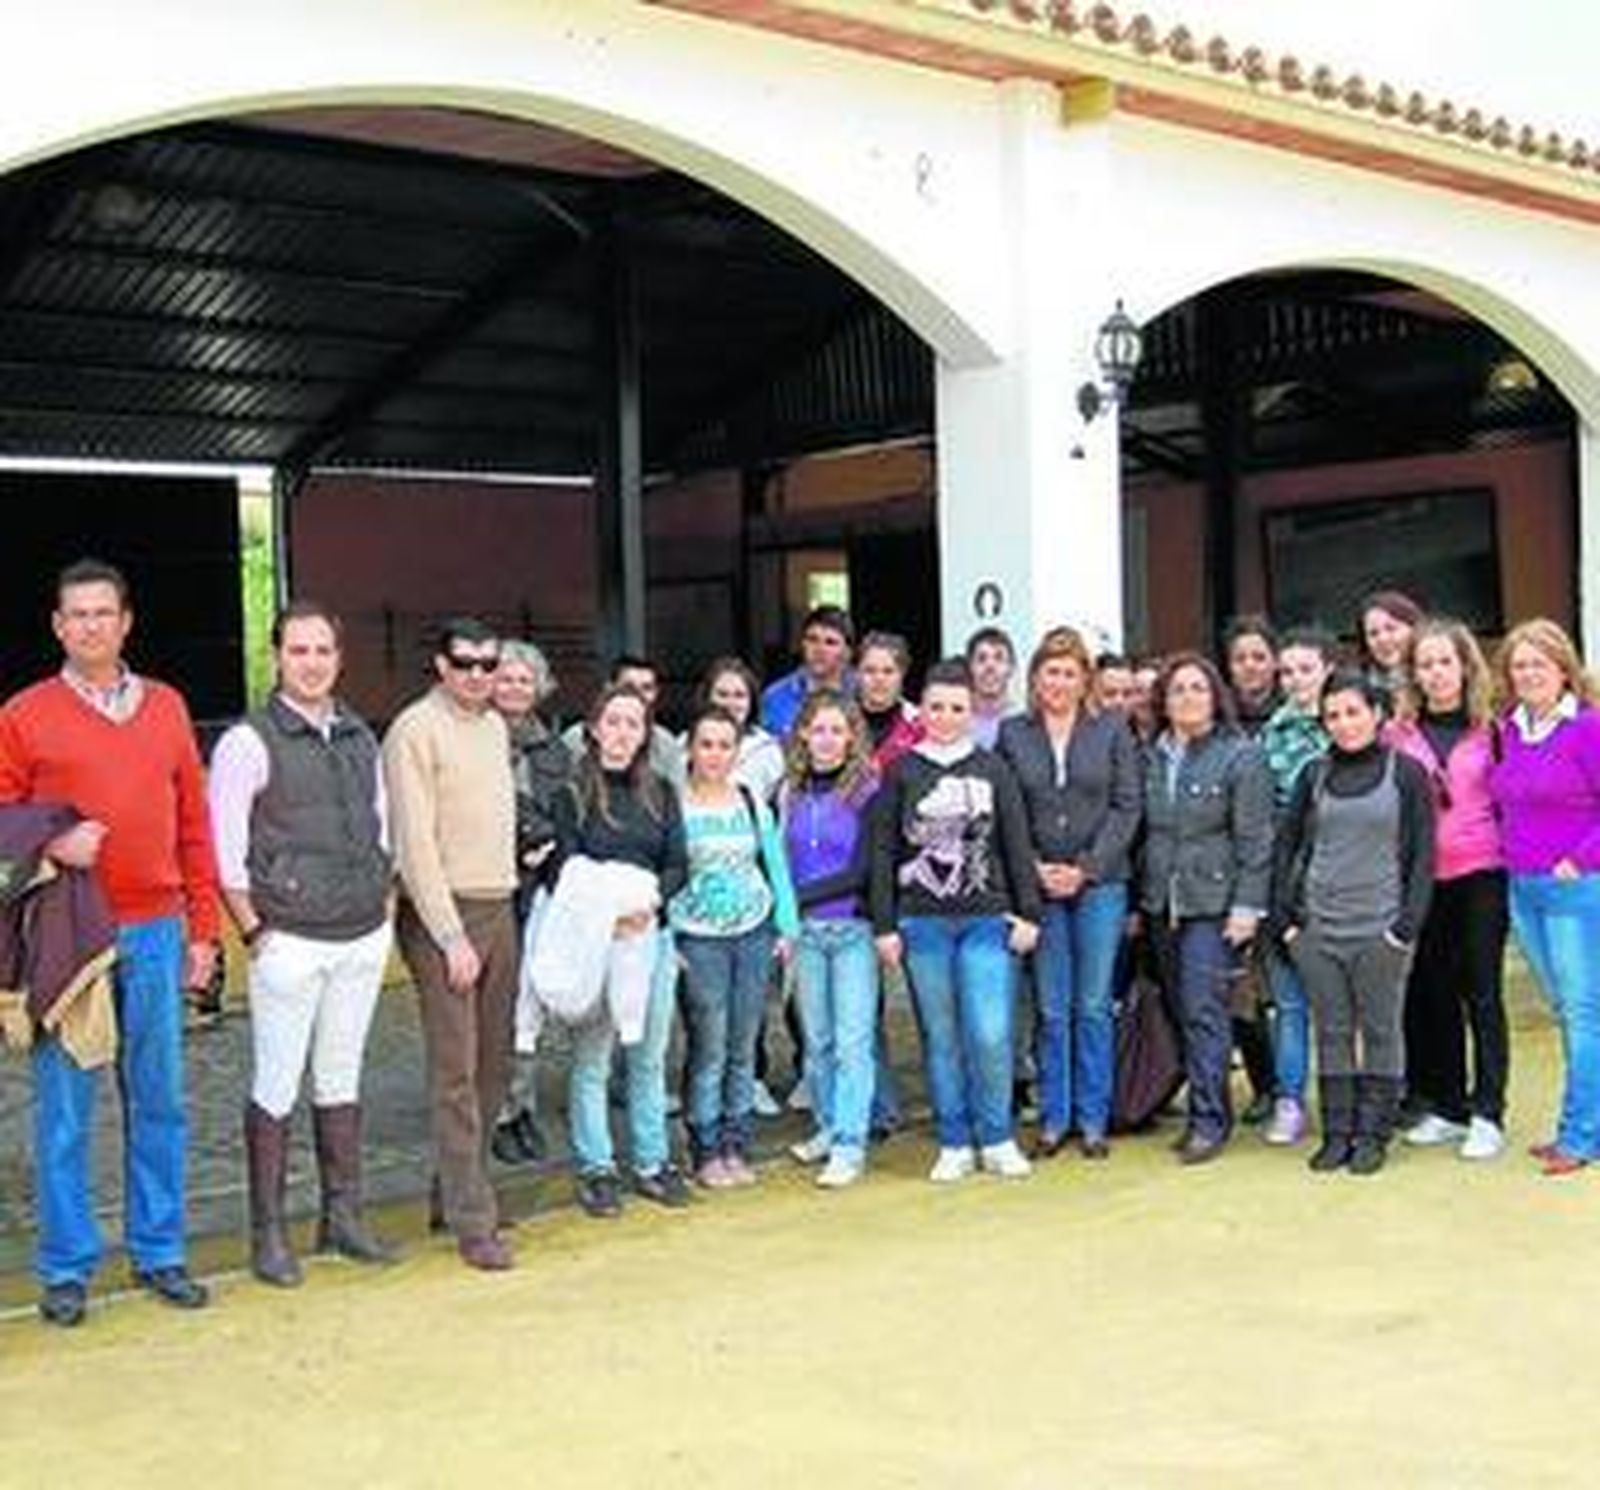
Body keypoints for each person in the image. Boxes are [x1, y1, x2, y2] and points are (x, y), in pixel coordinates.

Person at [0, 557, 220, 1325]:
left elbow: (195, 823)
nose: (91, 625)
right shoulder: (23, 715)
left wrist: (204, 929)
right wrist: (53, 847)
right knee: (65, 1107)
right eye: (77, 615)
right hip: (71, 936)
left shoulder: (166, 708)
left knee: (160, 1099)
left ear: (126, 621)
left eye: (104, 612)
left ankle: (160, 1252)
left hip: (157, 929)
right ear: (58, 627)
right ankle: (66, 1266)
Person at [208, 601, 395, 1287]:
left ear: (338, 659)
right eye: (298, 651)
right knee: (276, 1084)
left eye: (323, 650)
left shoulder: (359, 737)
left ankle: (342, 1218)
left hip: (359, 934)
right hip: (288, 939)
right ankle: (269, 1234)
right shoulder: (246, 743)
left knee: (341, 1078)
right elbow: (225, 853)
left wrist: (384, 898)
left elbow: (383, 825)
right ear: (276, 657)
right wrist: (256, 934)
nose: (311, 663)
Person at [870, 658, 1042, 1182]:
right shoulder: (901, 771)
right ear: (921, 710)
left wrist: (1029, 913)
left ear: (972, 712)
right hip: (922, 924)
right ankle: (954, 1139)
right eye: (937, 707)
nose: (946, 716)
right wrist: (884, 925)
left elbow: (1016, 843)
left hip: (986, 920)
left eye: (957, 708)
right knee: (940, 1036)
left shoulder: (993, 768)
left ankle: (996, 1136)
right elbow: (882, 852)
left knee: (990, 1033)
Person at [383, 617, 519, 1270]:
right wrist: (448, 934)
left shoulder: (494, 727)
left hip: (499, 903)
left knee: (495, 1065)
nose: (477, 675)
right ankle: (473, 1218)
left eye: (488, 665)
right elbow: (414, 843)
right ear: (440, 665)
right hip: (445, 914)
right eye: (464, 663)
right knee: (456, 1070)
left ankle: (458, 1187)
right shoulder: (414, 729)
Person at [1276, 671, 1434, 1175]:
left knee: (1382, 1030)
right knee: (1333, 1031)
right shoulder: (1313, 775)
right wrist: (1287, 925)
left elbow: (1422, 858)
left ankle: (1374, 1134)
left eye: (1353, 712)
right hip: (1319, 930)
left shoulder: (1406, 774)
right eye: (1332, 716)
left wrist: (1404, 929)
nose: (1343, 724)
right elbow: (1285, 849)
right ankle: (1338, 1132)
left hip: (1381, 931)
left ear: (1377, 713)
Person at [999, 627, 1141, 1160]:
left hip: (1100, 884)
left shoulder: (1112, 733)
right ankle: (1055, 1118)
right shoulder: (1014, 734)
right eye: (1050, 671)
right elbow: (1006, 809)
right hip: (1039, 886)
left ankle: (1094, 1119)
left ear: (1085, 681)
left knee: (1092, 1004)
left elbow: (1128, 807)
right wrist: (1033, 868)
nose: (1058, 681)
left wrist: (1086, 868)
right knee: (1053, 1009)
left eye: (1069, 672)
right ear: (1036, 679)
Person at [548, 683, 690, 1213]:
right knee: (593, 1057)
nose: (623, 732)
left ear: (645, 733)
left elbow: (678, 862)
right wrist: (608, 913)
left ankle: (652, 1162)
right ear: (593, 728)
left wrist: (648, 908)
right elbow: (563, 867)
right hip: (597, 942)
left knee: (649, 1055)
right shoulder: (572, 793)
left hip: (649, 937)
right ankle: (597, 1166)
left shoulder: (661, 792)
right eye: (613, 721)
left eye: (634, 723)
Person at [1140, 653, 1273, 1166]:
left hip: (1213, 906)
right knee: (1182, 1011)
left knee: (1204, 1013)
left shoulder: (1240, 756)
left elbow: (1256, 841)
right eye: (1177, 690)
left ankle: (1209, 1120)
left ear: (1216, 696)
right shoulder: (1152, 756)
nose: (1187, 698)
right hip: (1161, 904)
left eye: (1198, 688)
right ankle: (1205, 1105)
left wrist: (1247, 906)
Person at [1386, 619, 1509, 1161]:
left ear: (1464, 665)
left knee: (1480, 990)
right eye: (1424, 664)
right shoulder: (1397, 732)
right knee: (1433, 991)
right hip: (1421, 877)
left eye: (1444, 661)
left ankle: (1488, 1111)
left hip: (1482, 872)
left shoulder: (1494, 729)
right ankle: (1449, 1106)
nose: (1435, 673)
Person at [1488, 619, 1600, 1175]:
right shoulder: (1509, 729)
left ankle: (1579, 1138)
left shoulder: (1587, 728)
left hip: (1574, 889)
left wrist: (1578, 860)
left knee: (1582, 1014)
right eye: (1519, 665)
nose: (1528, 673)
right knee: (1570, 1010)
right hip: (1523, 886)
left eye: (1539, 663)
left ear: (1563, 669)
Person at [672, 706, 800, 1187]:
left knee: (744, 1045)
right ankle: (704, 1145)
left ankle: (736, 1142)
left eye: (725, 745)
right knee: (709, 1045)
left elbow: (775, 864)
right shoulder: (674, 803)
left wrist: (787, 927)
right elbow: (662, 872)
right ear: (690, 750)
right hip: (699, 939)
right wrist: (669, 938)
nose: (715, 754)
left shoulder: (750, 800)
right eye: (706, 744)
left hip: (753, 932)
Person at [781, 690, 881, 1187]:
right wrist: (787, 915)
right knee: (816, 1041)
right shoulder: (790, 791)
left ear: (852, 737)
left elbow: (863, 869)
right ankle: (825, 1124)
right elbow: (778, 858)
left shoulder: (865, 790)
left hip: (852, 930)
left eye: (837, 730)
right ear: (803, 734)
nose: (826, 740)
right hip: (805, 935)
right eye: (818, 729)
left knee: (852, 1042)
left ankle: (849, 1142)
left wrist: (797, 896)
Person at [489, 639, 573, 1167]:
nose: (516, 688)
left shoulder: (554, 749)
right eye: (507, 677)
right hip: (492, 889)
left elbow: (566, 813)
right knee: (493, 1006)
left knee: (528, 1008)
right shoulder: (475, 737)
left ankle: (522, 1108)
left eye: (525, 680)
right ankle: (496, 1113)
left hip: (539, 889)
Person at [1256, 627, 1335, 1146]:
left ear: (1327, 669)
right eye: (1287, 672)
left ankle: (1351, 1098)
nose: (1296, 680)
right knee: (1290, 1003)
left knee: (1345, 1004)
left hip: (1346, 878)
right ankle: (1289, 1099)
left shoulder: (1351, 722)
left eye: (1306, 669)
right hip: (1287, 879)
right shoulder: (1270, 735)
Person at [563, 655, 684, 790]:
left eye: (647, 688)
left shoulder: (665, 743)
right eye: (629, 686)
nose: (638, 694)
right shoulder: (575, 738)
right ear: (609, 687)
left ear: (656, 693)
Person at [760, 604, 854, 738]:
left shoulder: (862, 693)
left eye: (830, 642)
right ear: (802, 644)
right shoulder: (774, 697)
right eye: (812, 639)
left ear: (847, 652)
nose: (819, 649)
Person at [856, 631, 924, 771]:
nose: (879, 679)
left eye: (888, 671)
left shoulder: (919, 724)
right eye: (870, 671)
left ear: (902, 674)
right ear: (857, 673)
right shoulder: (838, 719)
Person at [1358, 588, 1423, 701]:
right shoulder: (1362, 691)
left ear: (1414, 628)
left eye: (1391, 628)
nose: (1383, 639)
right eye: (1373, 633)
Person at [1224, 615, 1281, 738]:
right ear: (1229, 665)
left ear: (1276, 662)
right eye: (1240, 659)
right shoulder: (1217, 712)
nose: (1249, 666)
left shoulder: (1292, 712)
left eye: (1259, 658)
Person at [966, 626, 1018, 749]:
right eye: (981, 659)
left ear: (1011, 668)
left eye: (999, 658)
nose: (990, 667)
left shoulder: (1025, 720)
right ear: (970, 667)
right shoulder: (956, 720)